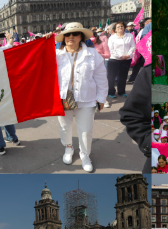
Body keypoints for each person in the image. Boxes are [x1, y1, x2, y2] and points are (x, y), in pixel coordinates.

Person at [52, 22, 108, 172]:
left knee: (86, 130)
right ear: (63, 37)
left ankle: (85, 154)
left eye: (75, 34)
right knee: (64, 127)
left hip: (86, 99)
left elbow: (101, 78)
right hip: (62, 99)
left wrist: (101, 98)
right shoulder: (55, 55)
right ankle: (68, 148)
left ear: (81, 37)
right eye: (68, 34)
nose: (71, 37)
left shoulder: (92, 54)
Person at [107, 22, 136, 98]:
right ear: (115, 29)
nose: (120, 28)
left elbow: (133, 46)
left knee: (123, 76)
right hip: (114, 59)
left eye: (122, 26)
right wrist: (119, 56)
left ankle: (121, 91)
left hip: (126, 59)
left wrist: (128, 55)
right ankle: (111, 92)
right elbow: (111, 49)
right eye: (118, 27)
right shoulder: (112, 38)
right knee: (111, 76)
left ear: (124, 27)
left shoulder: (129, 36)